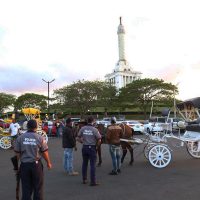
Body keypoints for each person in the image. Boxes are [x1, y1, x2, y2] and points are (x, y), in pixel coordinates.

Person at [14, 119, 52, 200]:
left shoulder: (20, 138)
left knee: (26, 188)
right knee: (38, 188)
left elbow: (17, 154)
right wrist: (48, 163)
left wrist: (16, 167)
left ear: (27, 127)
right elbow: (45, 152)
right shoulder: (40, 138)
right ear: (36, 127)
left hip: (24, 165)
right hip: (36, 165)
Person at [77, 116, 101, 186]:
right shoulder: (95, 130)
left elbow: (77, 137)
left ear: (87, 121)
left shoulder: (82, 128)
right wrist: (97, 146)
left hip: (84, 147)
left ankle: (84, 179)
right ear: (93, 121)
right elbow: (99, 139)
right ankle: (93, 181)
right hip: (92, 148)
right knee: (92, 165)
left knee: (84, 164)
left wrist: (82, 142)